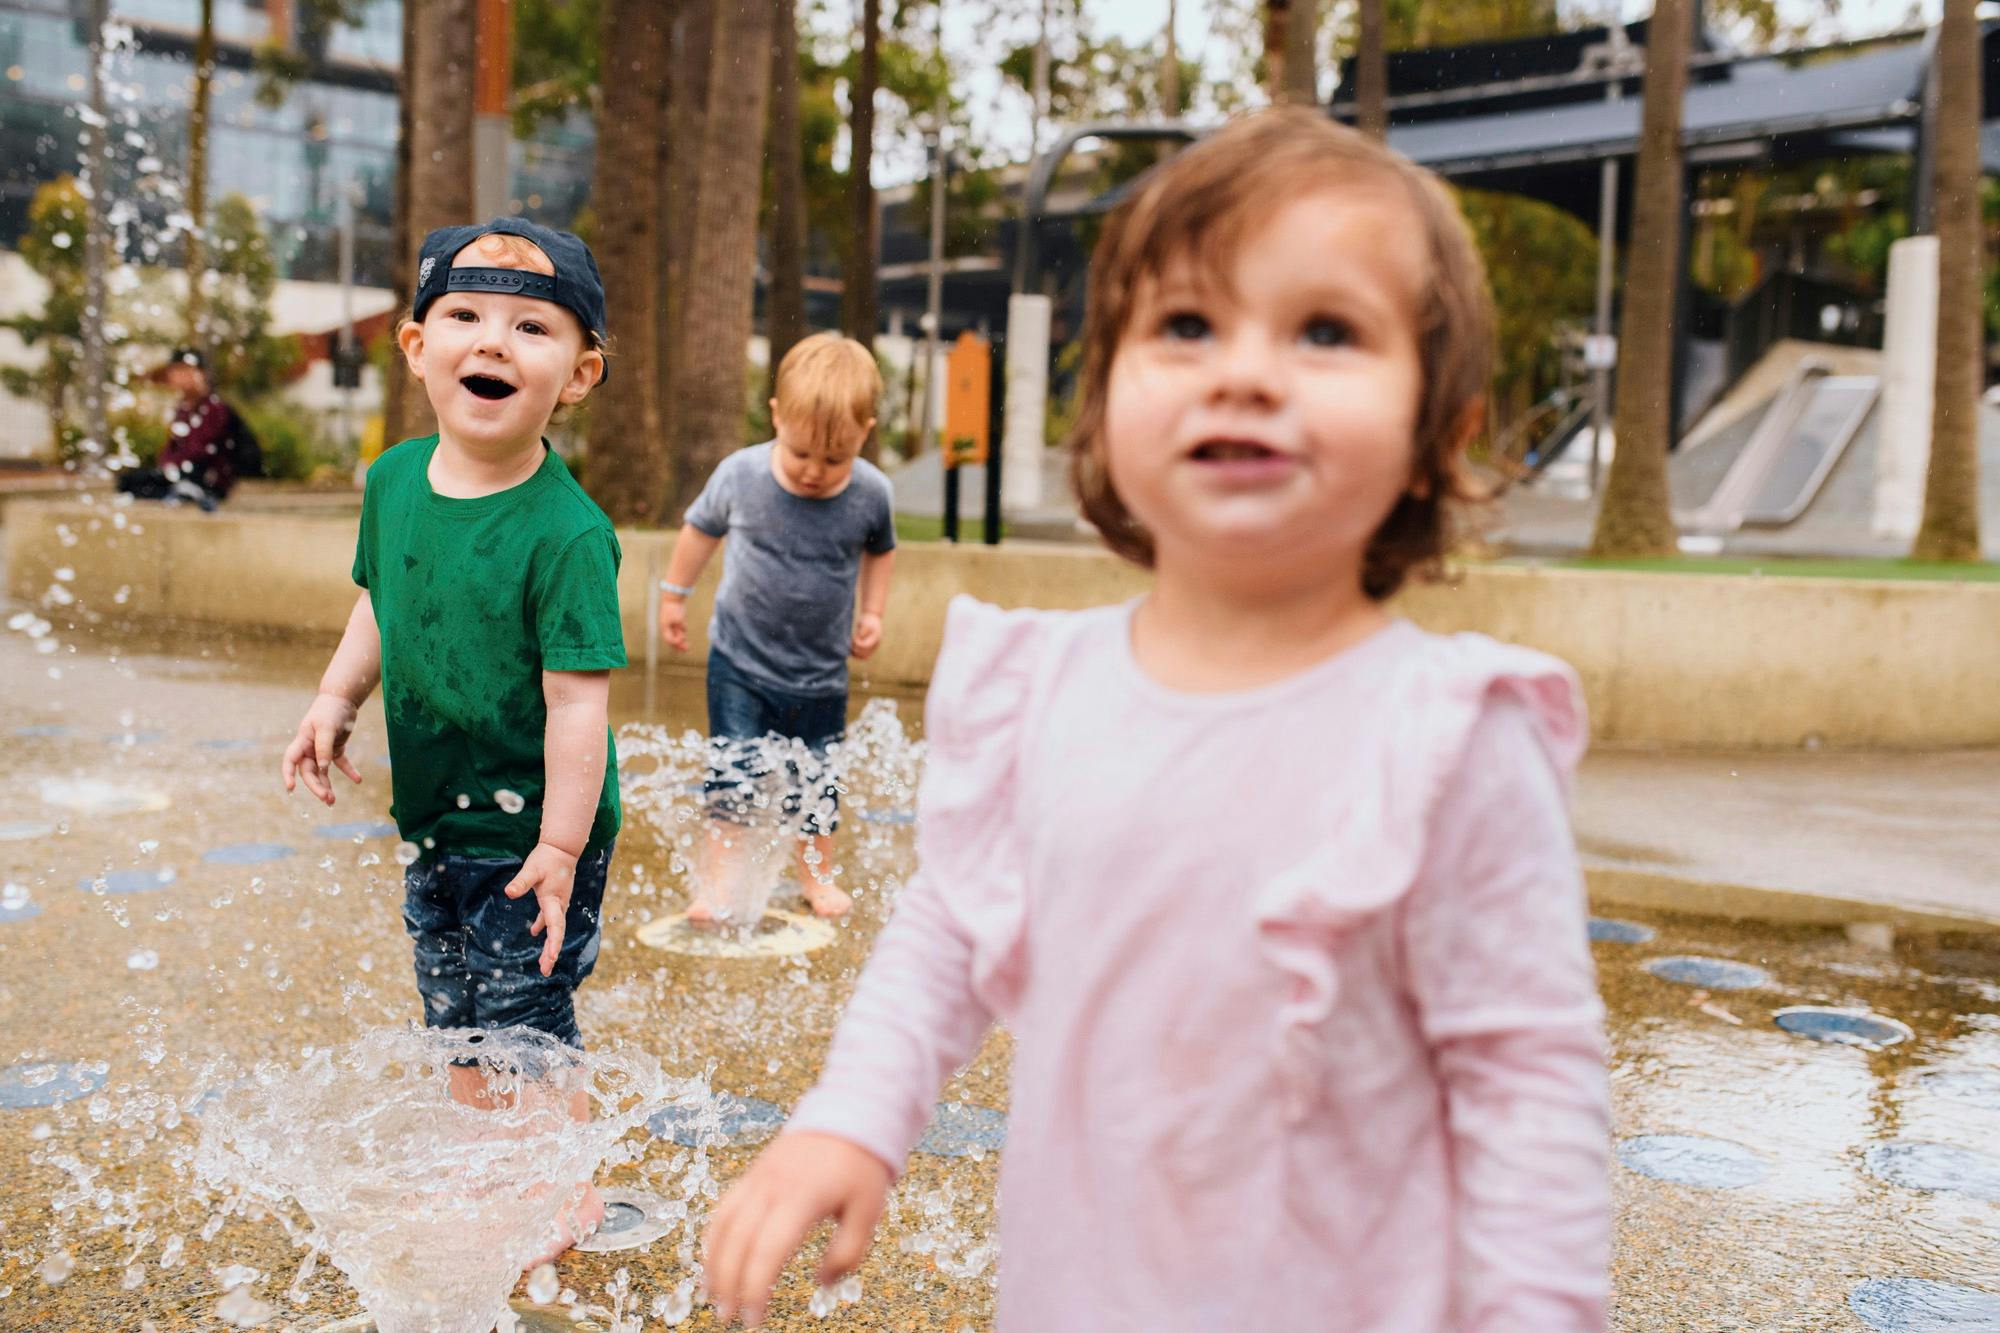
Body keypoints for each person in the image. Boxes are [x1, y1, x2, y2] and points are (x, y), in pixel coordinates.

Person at [700, 108, 1610, 1330]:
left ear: (1434, 430)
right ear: (1106, 404)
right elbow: (945, 934)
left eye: (1325, 331)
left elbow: (1527, 1086)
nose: (1242, 369)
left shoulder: (1446, 739)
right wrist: (849, 1115)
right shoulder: (1043, 692)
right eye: (1185, 325)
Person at [279, 217, 624, 1261]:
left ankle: (565, 1188)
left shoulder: (564, 532)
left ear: (577, 374)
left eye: (531, 326)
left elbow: (578, 707)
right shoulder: (392, 482)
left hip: (535, 834)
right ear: (416, 346)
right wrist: (336, 700)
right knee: (452, 1005)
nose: (492, 342)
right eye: (464, 315)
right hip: (434, 814)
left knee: (525, 1018)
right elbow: (381, 603)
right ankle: (484, 1161)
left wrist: (561, 849)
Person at [658, 332, 897, 921]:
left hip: (820, 673)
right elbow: (699, 530)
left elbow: (882, 551)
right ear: (776, 419)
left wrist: (873, 613)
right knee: (732, 772)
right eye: (800, 454)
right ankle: (718, 884)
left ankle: (815, 878)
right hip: (739, 661)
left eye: (834, 459)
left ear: (864, 432)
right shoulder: (741, 475)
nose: (815, 472)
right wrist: (673, 596)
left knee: (818, 783)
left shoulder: (871, 492)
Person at [116, 347, 237, 509]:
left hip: (206, 479)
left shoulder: (215, 408)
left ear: (200, 374)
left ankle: (188, 493)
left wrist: (170, 468)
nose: (176, 377)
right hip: (180, 473)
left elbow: (200, 452)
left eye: (183, 371)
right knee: (128, 481)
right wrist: (164, 468)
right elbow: (173, 448)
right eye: (174, 372)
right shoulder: (183, 409)